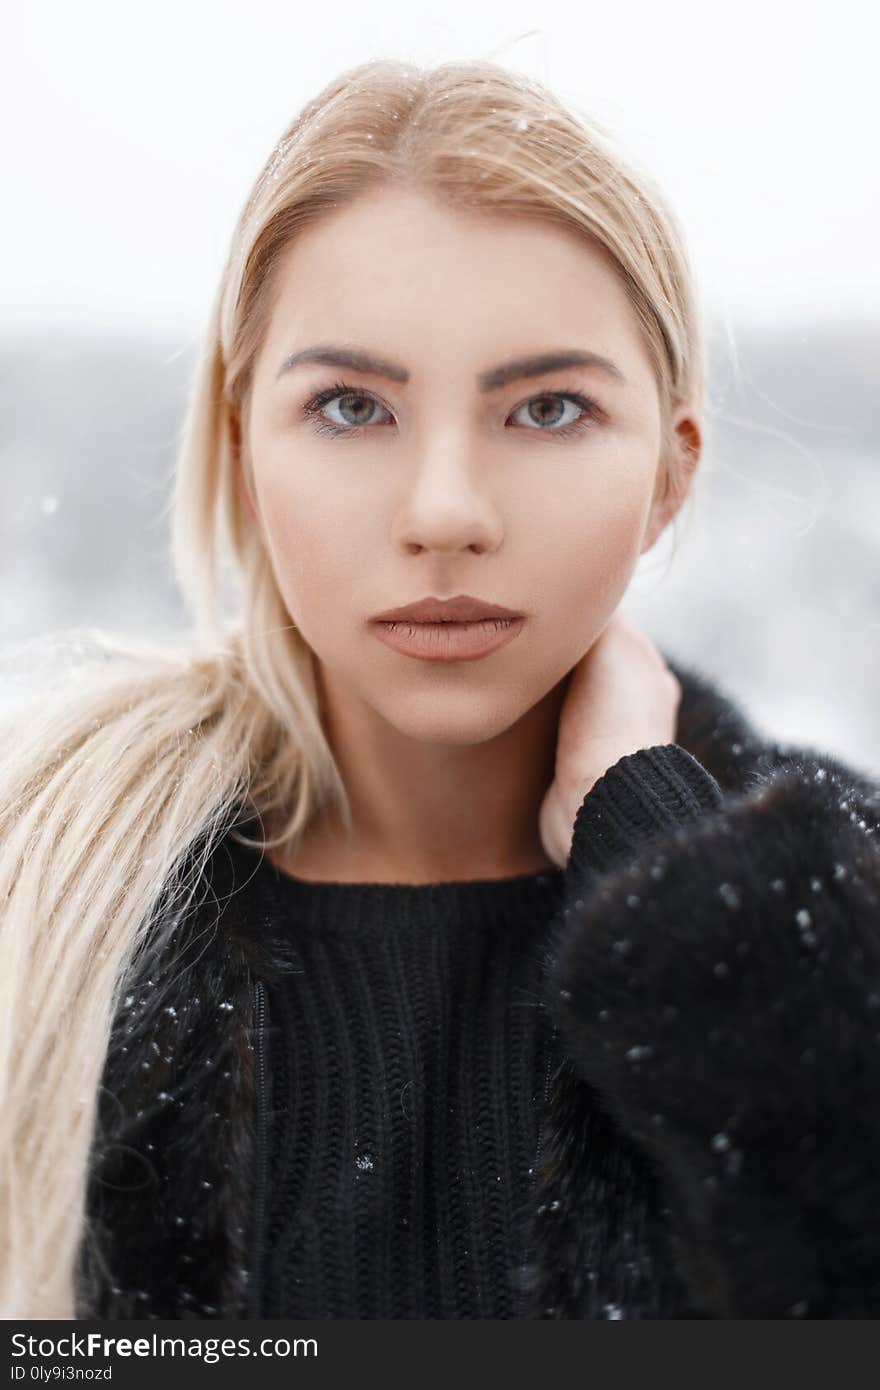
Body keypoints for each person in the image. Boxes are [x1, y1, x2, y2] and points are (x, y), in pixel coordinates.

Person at [1, 57, 878, 1323]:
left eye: (549, 408)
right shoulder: (48, 891)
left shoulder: (831, 906)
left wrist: (667, 869)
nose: (446, 512)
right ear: (246, 447)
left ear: (671, 474)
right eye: (353, 406)